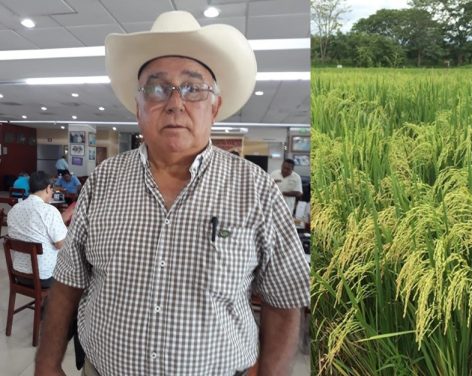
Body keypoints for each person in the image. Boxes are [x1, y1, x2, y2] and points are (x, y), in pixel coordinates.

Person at [36, 10, 309, 376]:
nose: (175, 103)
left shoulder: (255, 189)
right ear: (138, 108)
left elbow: (284, 299)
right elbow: (69, 281)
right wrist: (47, 363)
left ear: (215, 107)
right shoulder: (103, 181)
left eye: (194, 88)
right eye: (157, 87)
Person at [7, 171, 73, 288]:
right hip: (45, 276)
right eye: (52, 190)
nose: (52, 192)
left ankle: (45, 304)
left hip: (19, 273)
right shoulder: (49, 211)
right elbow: (61, 245)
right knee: (79, 272)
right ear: (48, 188)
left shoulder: (13, 210)